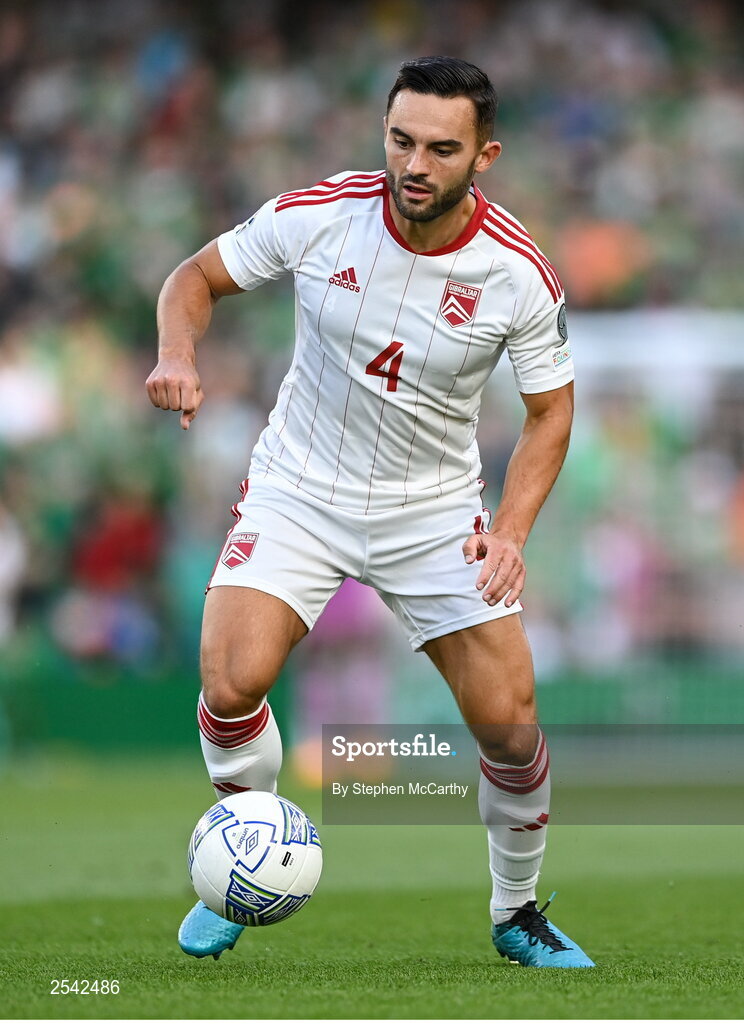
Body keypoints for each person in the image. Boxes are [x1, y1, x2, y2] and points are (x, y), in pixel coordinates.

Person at [146, 55, 593, 969]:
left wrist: (508, 533)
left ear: (485, 154)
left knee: (511, 725)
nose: (413, 165)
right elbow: (192, 278)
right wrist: (177, 353)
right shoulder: (321, 216)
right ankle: (245, 862)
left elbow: (552, 411)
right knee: (231, 684)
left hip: (432, 513)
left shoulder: (517, 273)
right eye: (400, 140)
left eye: (440, 148)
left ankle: (517, 913)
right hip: (299, 486)